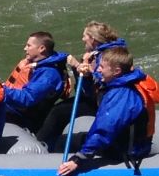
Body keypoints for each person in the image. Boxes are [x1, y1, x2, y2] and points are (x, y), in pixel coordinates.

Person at [57, 46, 157, 176]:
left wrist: (79, 158)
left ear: (116, 71)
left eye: (102, 67)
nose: (98, 69)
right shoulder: (117, 83)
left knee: (62, 143)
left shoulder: (122, 95)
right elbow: (93, 94)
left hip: (124, 150)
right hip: (118, 141)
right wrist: (87, 78)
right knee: (69, 139)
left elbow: (105, 130)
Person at [37, 20, 122, 149]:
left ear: (92, 39)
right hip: (97, 98)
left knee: (59, 112)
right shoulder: (100, 54)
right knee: (60, 108)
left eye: (84, 36)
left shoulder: (107, 57)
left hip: (104, 103)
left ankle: (42, 144)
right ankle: (47, 140)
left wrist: (83, 69)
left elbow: (98, 84)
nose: (82, 39)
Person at [0, 30, 70, 137]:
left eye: (29, 46)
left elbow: (28, 98)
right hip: (18, 110)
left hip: (27, 118)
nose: (25, 48)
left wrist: (1, 90)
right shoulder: (39, 66)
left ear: (41, 48)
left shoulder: (49, 74)